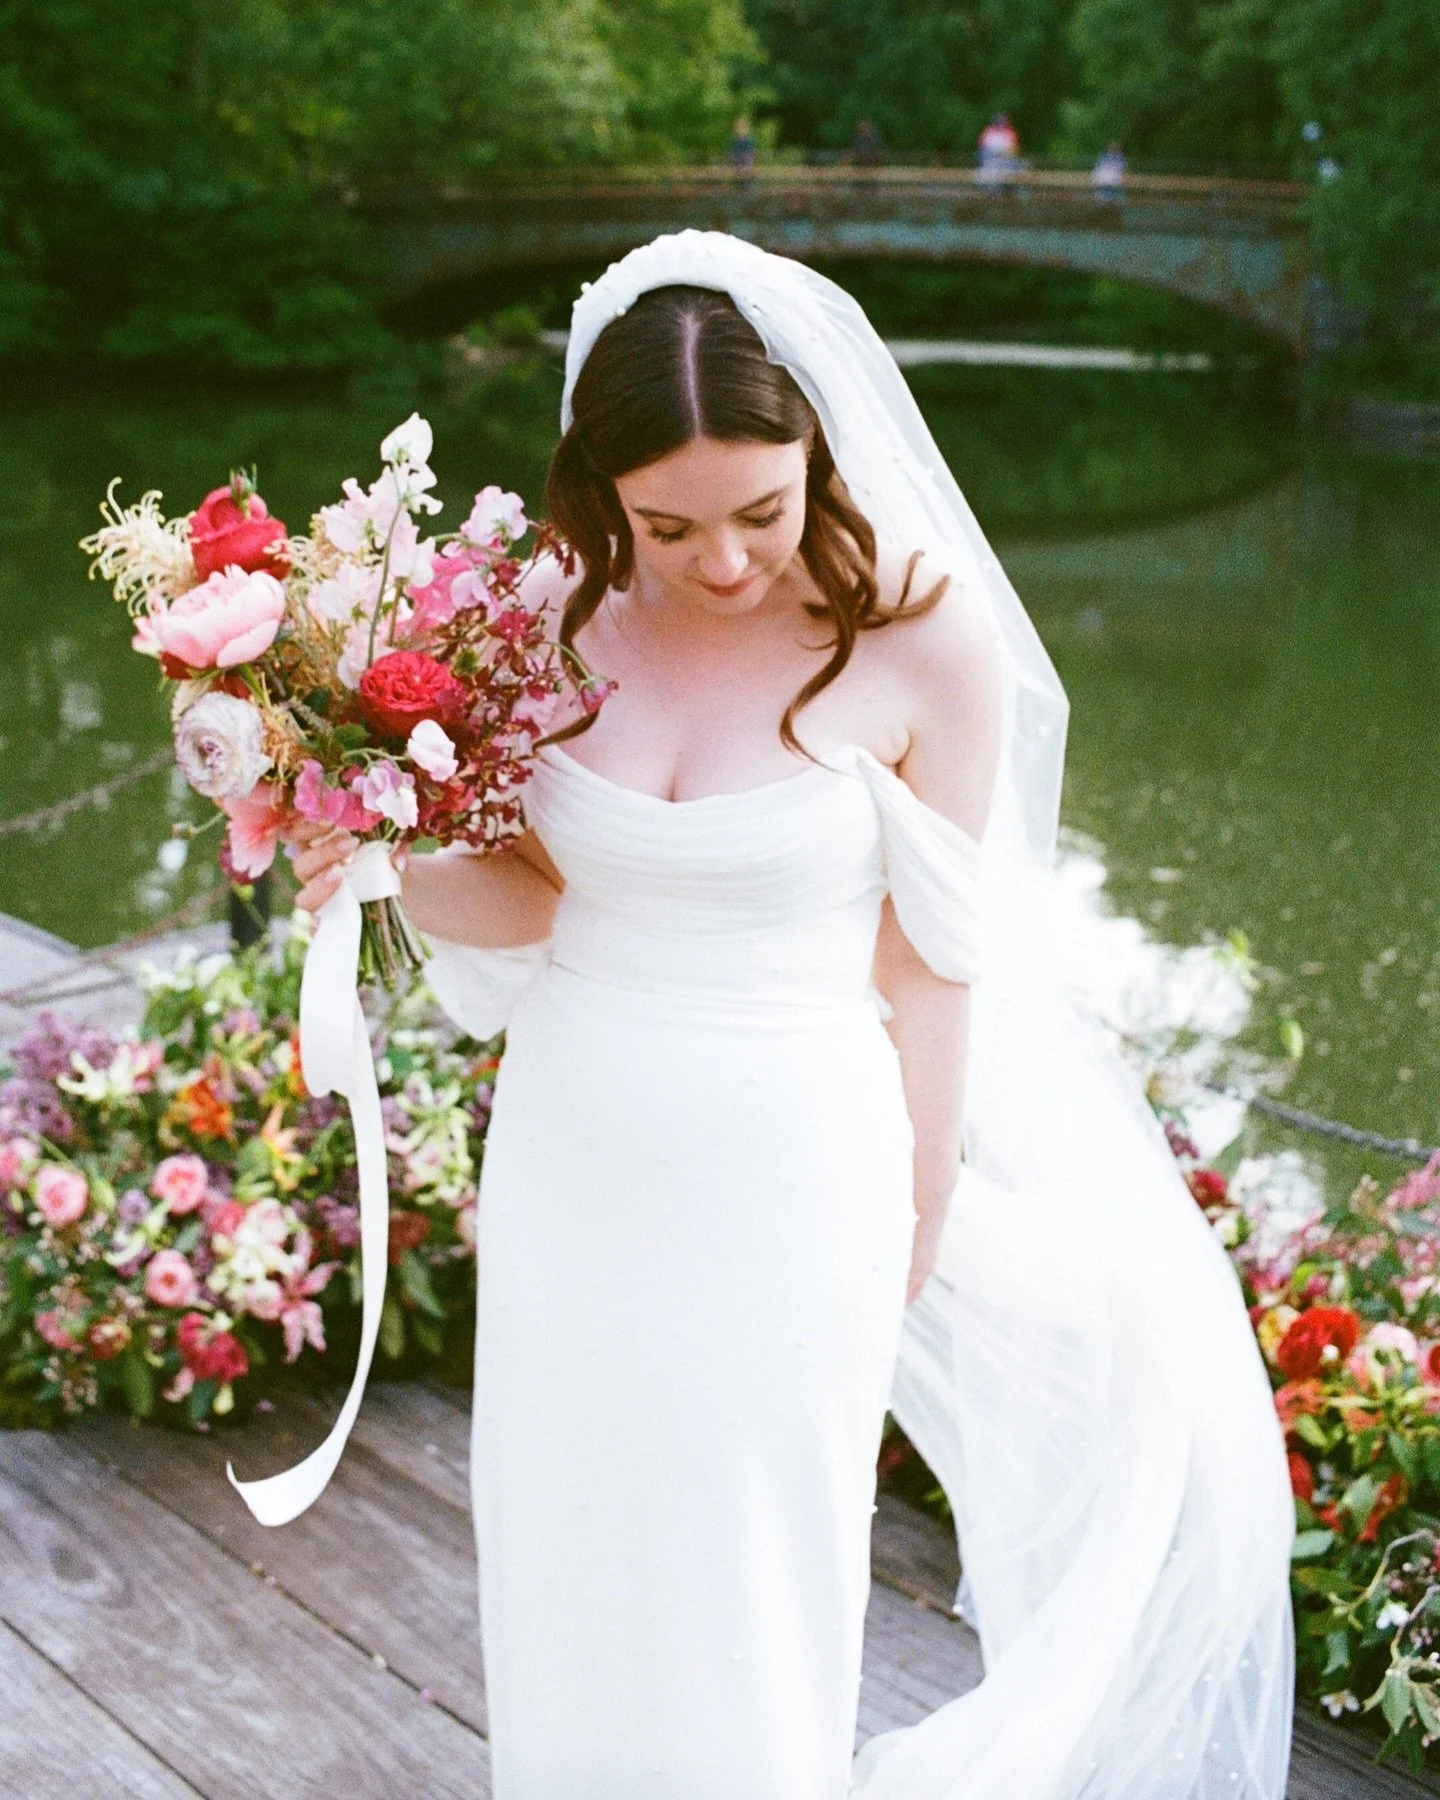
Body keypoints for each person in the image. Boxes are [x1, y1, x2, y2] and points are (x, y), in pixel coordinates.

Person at [289, 231, 1294, 1798]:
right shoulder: (542, 617)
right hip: (573, 1152)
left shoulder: (928, 644)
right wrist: (367, 855)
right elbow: (533, 895)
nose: (727, 559)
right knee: (566, 1535)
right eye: (669, 524)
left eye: (760, 509)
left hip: (797, 1172)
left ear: (818, 448)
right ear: (601, 494)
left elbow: (935, 960)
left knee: (757, 1568)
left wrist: (924, 1192)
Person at [976, 111, 1021, 183]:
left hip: (1006, 164)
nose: (1000, 124)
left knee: (1020, 169)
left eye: (1002, 122)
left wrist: (1003, 154)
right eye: (998, 121)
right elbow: (982, 151)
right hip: (990, 163)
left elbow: (1014, 151)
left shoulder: (1010, 133)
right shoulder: (988, 132)